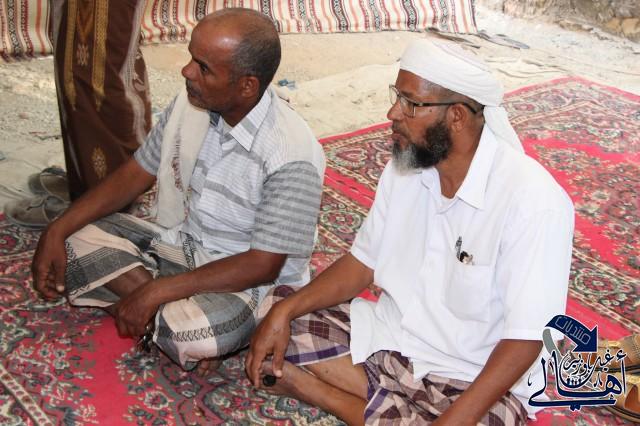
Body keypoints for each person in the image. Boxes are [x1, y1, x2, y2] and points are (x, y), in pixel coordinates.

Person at [246, 38, 574, 425]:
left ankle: (316, 390)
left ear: (456, 116)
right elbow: (362, 264)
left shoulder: (534, 202)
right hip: (393, 341)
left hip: (471, 374)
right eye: (397, 97)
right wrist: (285, 311)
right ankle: (402, 409)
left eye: (410, 104)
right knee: (277, 311)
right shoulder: (406, 166)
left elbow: (527, 337)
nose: (392, 112)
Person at [31, 8, 326, 376]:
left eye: (203, 67)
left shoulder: (290, 154)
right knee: (75, 237)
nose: (186, 71)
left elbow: (261, 265)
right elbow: (136, 173)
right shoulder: (192, 104)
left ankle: (165, 314)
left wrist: (157, 291)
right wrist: (57, 228)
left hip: (249, 280)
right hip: (185, 245)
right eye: (191, 58)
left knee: (192, 334)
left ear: (247, 86)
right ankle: (163, 316)